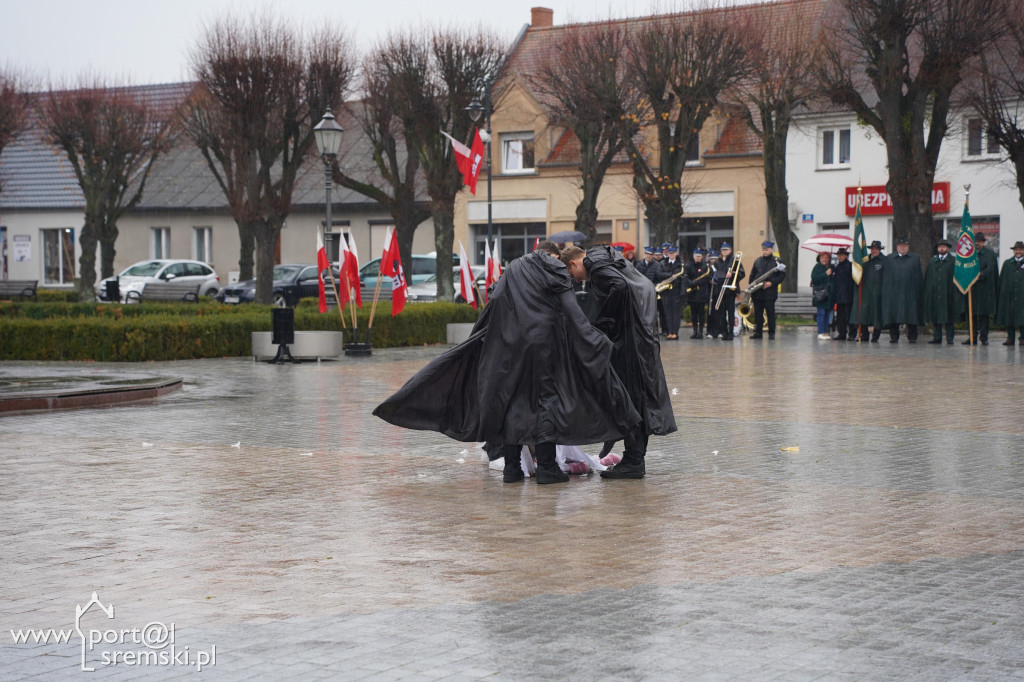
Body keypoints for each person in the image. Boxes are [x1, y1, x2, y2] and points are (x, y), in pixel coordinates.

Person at [373, 240, 640, 485]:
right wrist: (595, 339)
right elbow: (570, 310)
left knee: (512, 401)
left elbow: (495, 300)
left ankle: (513, 469)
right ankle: (547, 468)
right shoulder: (554, 270)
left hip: (508, 346)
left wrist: (481, 338)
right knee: (547, 402)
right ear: (556, 257)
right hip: (544, 347)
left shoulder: (514, 269)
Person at [561, 245, 677, 479]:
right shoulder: (607, 257)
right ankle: (635, 459)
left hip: (630, 342)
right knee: (639, 398)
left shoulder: (595, 264)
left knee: (629, 398)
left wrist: (603, 325)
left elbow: (620, 287)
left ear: (574, 263)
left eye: (572, 275)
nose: (576, 280)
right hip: (641, 336)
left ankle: (634, 461)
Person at [882, 237, 923, 343]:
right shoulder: (890, 258)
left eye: (905, 246)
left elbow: (918, 275)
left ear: (908, 247)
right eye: (901, 246)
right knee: (893, 315)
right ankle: (894, 337)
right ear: (897, 247)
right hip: (894, 292)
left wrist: (917, 290)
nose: (903, 248)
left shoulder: (915, 258)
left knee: (912, 315)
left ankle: (912, 337)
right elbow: (886, 276)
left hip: (910, 292)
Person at [963, 232, 998, 345]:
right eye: (975, 241)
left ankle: (984, 337)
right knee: (971, 314)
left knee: (983, 315)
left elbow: (990, 269)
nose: (977, 243)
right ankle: (972, 337)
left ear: (983, 242)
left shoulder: (989, 254)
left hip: (984, 289)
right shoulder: (968, 254)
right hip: (971, 290)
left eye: (979, 241)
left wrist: (978, 276)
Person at [922, 238, 959, 345]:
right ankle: (937, 337)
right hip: (935, 293)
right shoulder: (932, 261)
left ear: (947, 248)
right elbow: (928, 277)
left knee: (949, 317)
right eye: (940, 247)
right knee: (935, 316)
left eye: (944, 246)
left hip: (948, 292)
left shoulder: (953, 261)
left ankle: (950, 337)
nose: (941, 248)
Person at [747, 240, 786, 340]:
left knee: (770, 313)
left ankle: (771, 333)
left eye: (766, 249)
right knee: (758, 314)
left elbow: (782, 276)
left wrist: (771, 283)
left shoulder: (777, 261)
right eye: (763, 250)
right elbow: (752, 276)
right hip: (758, 292)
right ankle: (758, 333)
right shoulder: (758, 261)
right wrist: (751, 289)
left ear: (771, 250)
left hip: (770, 292)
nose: (764, 251)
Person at [850, 240, 885, 342]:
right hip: (865, 292)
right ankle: (864, 335)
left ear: (879, 250)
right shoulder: (865, 260)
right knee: (864, 313)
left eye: (876, 249)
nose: (874, 251)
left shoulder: (884, 261)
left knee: (877, 315)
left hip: (878, 292)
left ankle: (875, 336)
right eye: (872, 249)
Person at [710, 242, 744, 341]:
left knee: (730, 312)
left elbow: (742, 273)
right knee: (721, 313)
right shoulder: (717, 262)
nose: (724, 251)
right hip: (720, 289)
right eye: (723, 250)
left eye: (726, 250)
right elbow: (714, 274)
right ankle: (724, 332)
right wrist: (724, 275)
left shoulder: (735, 261)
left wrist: (732, 275)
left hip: (730, 290)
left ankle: (731, 333)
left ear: (730, 250)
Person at [996, 240, 1024, 346]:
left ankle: (1022, 338)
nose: (1018, 251)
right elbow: (1002, 279)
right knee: (1010, 317)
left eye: (1020, 249)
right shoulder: (1007, 263)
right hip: (1010, 295)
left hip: (1022, 295)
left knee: (1022, 317)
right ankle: (1010, 338)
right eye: (1016, 249)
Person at [683, 248, 711, 339]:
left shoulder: (705, 266)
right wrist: (690, 282)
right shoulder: (689, 265)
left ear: (702, 257)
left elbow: (707, 278)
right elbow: (685, 275)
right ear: (693, 256)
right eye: (696, 256)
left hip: (702, 293)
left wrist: (696, 283)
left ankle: (700, 331)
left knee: (701, 314)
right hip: (692, 294)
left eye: (699, 256)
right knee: (693, 314)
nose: (698, 258)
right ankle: (695, 331)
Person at [659, 245, 684, 339]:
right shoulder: (663, 263)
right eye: (670, 253)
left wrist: (682, 292)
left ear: (676, 253)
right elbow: (659, 274)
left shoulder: (680, 264)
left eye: (673, 253)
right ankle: (670, 332)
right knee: (668, 314)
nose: (671, 254)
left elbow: (683, 279)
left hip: (676, 292)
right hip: (666, 292)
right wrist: (670, 275)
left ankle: (675, 333)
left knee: (676, 314)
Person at [831, 248, 856, 341]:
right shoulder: (837, 267)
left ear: (846, 256)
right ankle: (842, 333)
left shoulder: (850, 266)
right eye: (838, 255)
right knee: (840, 317)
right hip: (839, 296)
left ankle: (852, 334)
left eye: (841, 255)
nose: (839, 257)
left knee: (849, 316)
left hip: (848, 295)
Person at [811, 251, 834, 340]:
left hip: (828, 295)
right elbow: (814, 278)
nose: (825, 259)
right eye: (823, 258)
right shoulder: (817, 267)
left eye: (826, 258)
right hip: (821, 294)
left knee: (827, 314)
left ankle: (825, 331)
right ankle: (820, 332)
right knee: (821, 313)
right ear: (819, 259)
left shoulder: (830, 267)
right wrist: (825, 274)